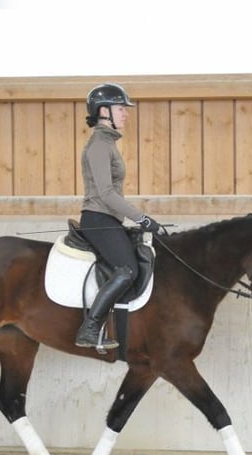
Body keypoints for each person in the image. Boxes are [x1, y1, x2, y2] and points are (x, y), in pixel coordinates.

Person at [75, 83, 166, 350]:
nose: (126, 114)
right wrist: (142, 218)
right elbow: (105, 193)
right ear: (104, 111)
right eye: (120, 109)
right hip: (98, 218)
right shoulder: (99, 145)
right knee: (127, 270)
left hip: (109, 219)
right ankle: (89, 328)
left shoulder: (108, 143)